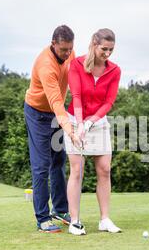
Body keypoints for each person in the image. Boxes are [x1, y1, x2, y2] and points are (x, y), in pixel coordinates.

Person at [24, 25, 82, 233]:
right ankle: (42, 218)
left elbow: (77, 74)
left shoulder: (70, 53)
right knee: (41, 165)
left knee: (58, 160)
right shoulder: (45, 65)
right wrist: (70, 129)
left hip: (57, 114)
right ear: (53, 44)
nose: (67, 54)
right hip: (38, 113)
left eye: (70, 49)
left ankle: (60, 209)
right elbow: (56, 102)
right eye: (63, 50)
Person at [65, 28, 122, 236]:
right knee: (77, 170)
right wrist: (80, 124)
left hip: (98, 122)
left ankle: (104, 219)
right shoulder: (77, 65)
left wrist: (91, 122)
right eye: (104, 49)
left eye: (111, 50)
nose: (107, 54)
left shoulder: (114, 71)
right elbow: (77, 96)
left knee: (105, 169)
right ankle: (75, 221)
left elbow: (109, 102)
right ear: (94, 44)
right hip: (75, 120)